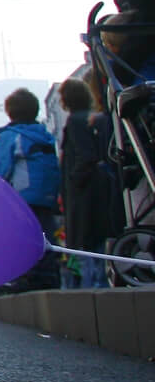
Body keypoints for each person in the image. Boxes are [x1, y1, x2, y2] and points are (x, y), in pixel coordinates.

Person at [0, 87, 59, 292]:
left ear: (10, 113)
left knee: (23, 238)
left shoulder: (10, 136)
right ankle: (49, 277)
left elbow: (1, 170)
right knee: (46, 236)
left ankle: (28, 277)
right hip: (47, 196)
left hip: (23, 197)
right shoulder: (43, 135)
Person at [58, 75, 122, 289]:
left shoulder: (75, 121)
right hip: (101, 186)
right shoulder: (97, 118)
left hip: (84, 192)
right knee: (99, 240)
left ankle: (93, 287)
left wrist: (73, 180)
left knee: (84, 244)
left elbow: (85, 155)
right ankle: (102, 282)